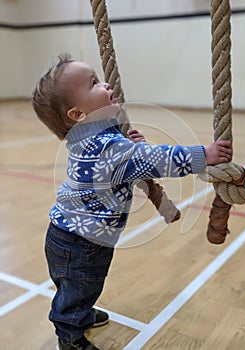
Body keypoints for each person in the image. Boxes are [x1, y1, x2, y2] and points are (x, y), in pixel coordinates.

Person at [32, 54, 232, 350]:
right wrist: (204, 154)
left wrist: (131, 148)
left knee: (80, 287)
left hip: (72, 236)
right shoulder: (107, 146)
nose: (106, 83)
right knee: (80, 288)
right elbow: (156, 161)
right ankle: (70, 335)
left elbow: (128, 160)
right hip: (80, 243)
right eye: (94, 83)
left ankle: (79, 312)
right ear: (77, 114)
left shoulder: (88, 137)